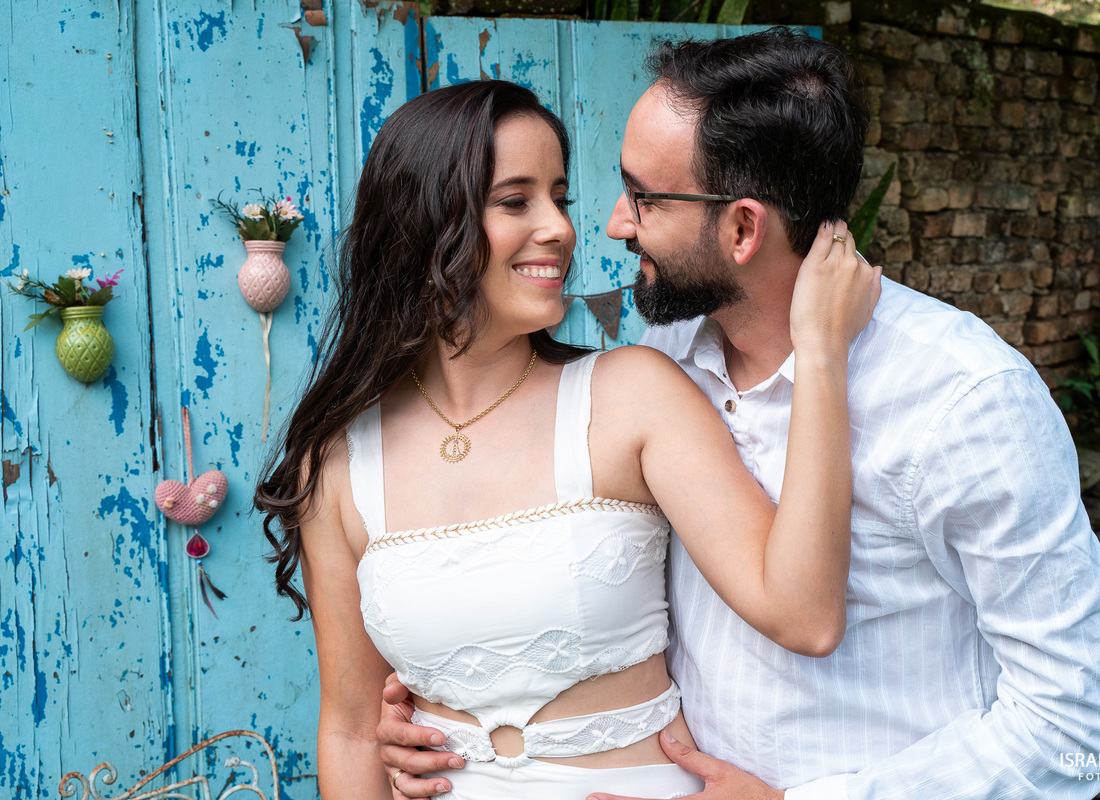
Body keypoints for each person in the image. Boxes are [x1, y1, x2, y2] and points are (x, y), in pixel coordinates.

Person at [379, 28, 1100, 800]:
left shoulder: (965, 401)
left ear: (742, 228)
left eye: (643, 196)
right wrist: (450, 713)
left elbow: (1079, 728)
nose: (613, 224)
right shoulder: (668, 352)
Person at [255, 78, 878, 800]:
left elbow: (804, 613)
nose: (560, 228)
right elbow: (352, 728)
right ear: (423, 223)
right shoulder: (337, 463)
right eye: (515, 201)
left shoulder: (630, 395)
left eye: (559, 197)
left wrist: (821, 353)